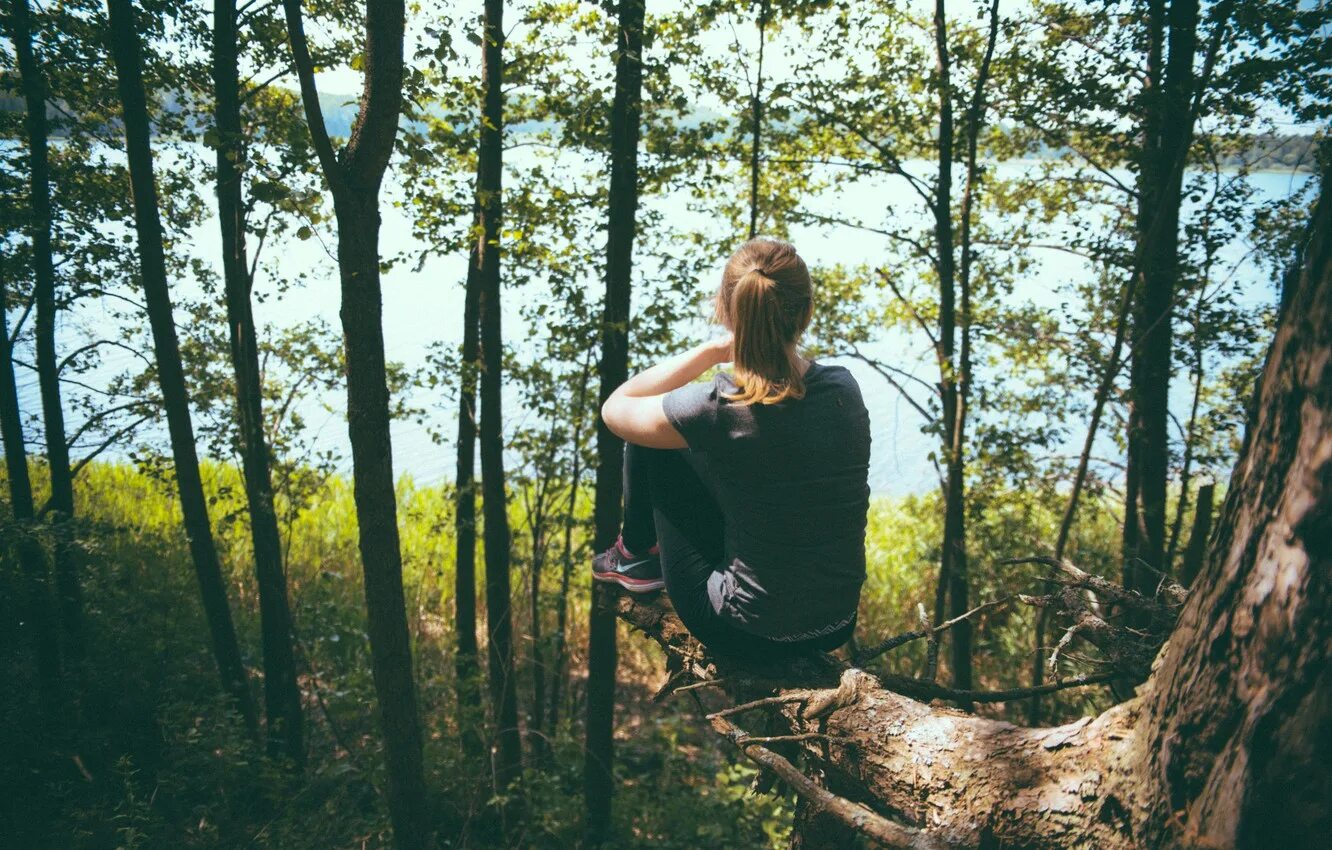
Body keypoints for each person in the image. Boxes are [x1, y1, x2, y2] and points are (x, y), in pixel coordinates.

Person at [593, 237, 871, 660]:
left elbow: (617, 410)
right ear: (807, 311)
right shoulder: (843, 389)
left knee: (652, 439)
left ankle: (634, 558)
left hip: (744, 633)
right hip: (836, 624)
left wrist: (710, 352)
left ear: (726, 310)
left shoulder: (719, 408)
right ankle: (636, 558)